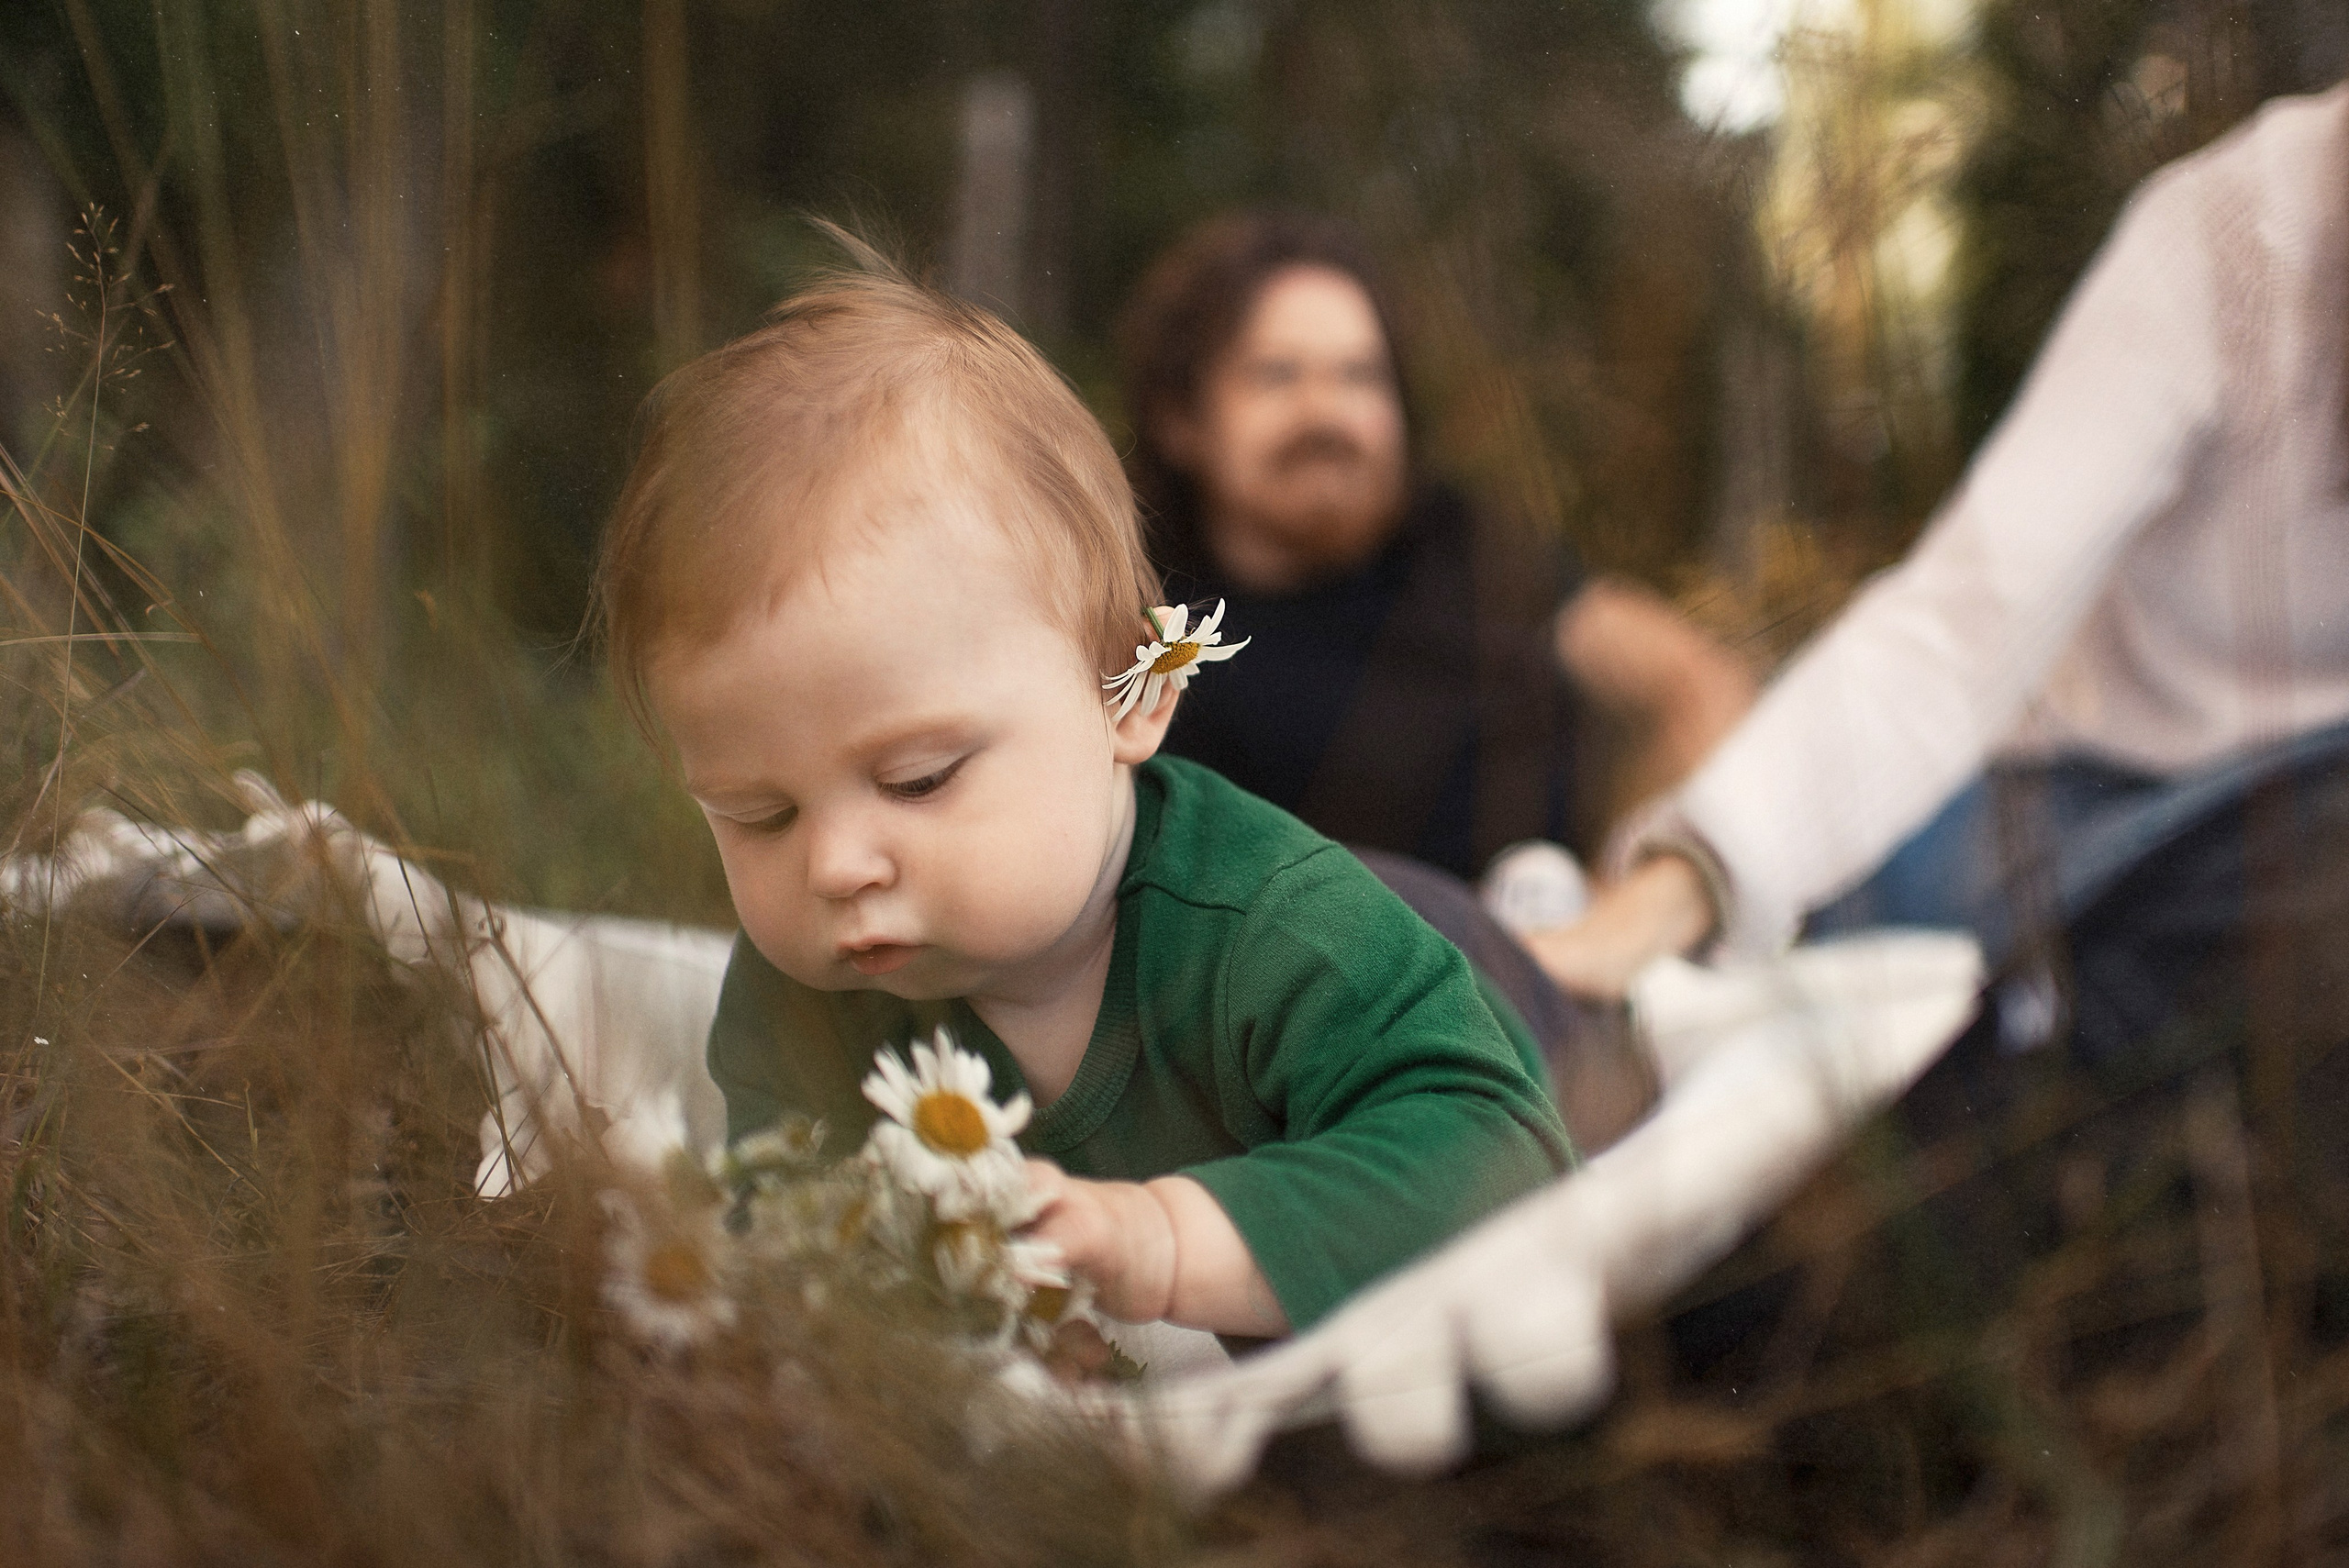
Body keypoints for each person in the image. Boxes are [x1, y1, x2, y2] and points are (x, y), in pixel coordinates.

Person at [589, 242, 1574, 1340]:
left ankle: (1565, 937)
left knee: (1560, 992)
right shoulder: (804, 991)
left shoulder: (1280, 931)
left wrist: (1167, 1239)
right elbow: (797, 1231)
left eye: (918, 778)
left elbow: (1502, 1145)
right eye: (755, 811)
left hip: (1456, 961)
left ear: (1131, 690)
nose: (834, 865)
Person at [1531, 83, 2349, 1064]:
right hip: (2075, 805)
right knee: (1807, 1000)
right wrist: (1670, 893)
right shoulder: (2228, 241)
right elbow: (1962, 623)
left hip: (2304, 836)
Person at [1116, 210, 1754, 904]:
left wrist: (1625, 905)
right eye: (1276, 374)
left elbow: (1694, 683)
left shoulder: (1467, 546)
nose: (1325, 411)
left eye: (1360, 375)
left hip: (1559, 961)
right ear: (1180, 419)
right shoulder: (1141, 617)